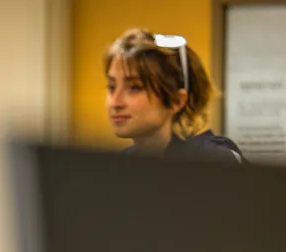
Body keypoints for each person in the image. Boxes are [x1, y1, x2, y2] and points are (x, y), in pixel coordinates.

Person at [105, 28, 244, 162]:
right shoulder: (114, 168)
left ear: (176, 101)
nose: (115, 102)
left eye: (134, 88)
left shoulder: (216, 161)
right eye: (112, 87)